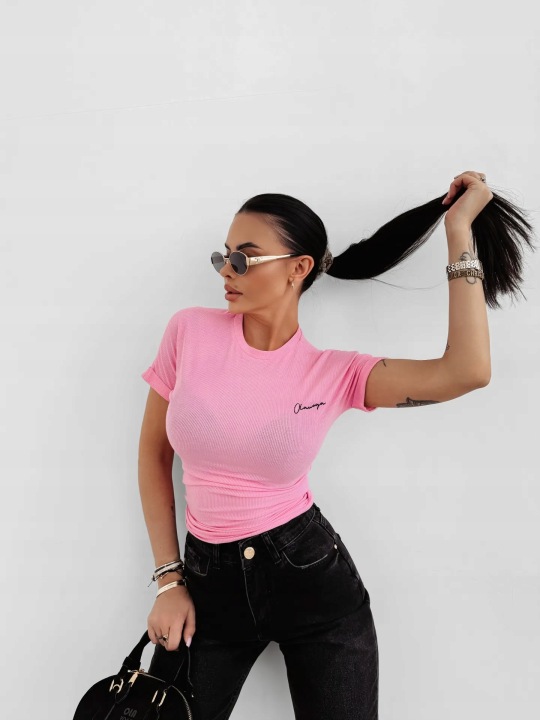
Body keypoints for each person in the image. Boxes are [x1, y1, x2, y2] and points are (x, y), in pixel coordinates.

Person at [137, 171, 529, 720]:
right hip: (207, 587)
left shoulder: (334, 374)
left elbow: (467, 371)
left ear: (298, 268)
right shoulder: (189, 332)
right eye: (223, 256)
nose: (227, 270)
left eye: (245, 258)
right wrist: (168, 580)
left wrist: (459, 230)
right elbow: (154, 455)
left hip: (310, 581)